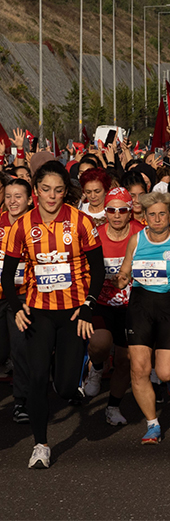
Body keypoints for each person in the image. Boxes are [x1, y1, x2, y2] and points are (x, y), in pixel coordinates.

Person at [3, 161, 104, 469]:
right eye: (45, 189)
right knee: (36, 379)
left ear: (65, 192)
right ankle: (41, 444)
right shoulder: (21, 226)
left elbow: (98, 270)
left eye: (59, 190)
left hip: (73, 313)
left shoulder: (80, 221)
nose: (52, 196)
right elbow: (7, 276)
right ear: (35, 192)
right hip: (38, 313)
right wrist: (16, 306)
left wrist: (88, 305)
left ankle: (80, 370)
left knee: (63, 387)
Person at [114, 191, 170, 443]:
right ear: (145, 216)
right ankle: (152, 424)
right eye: (152, 214)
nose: (157, 219)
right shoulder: (137, 240)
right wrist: (122, 278)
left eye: (162, 213)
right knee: (139, 369)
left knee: (165, 372)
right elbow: (124, 270)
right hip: (141, 304)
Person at [83, 187, 142, 426]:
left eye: (122, 210)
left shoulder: (141, 234)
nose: (116, 215)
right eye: (111, 210)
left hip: (131, 305)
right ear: (105, 212)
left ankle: (113, 407)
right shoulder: (94, 235)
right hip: (102, 302)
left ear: (130, 212)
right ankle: (97, 366)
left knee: (124, 361)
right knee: (99, 343)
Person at [0, 178, 31, 424]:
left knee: (20, 349)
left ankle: (21, 401)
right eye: (9, 195)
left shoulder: (35, 226)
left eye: (18, 196)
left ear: (30, 199)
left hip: (23, 296)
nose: (12, 201)